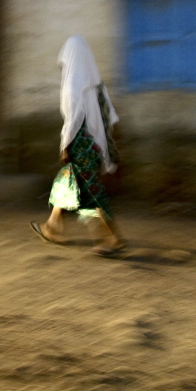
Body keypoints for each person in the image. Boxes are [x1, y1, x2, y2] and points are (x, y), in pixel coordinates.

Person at [30, 35, 125, 256]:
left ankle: (112, 239)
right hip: (96, 147)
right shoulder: (98, 85)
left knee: (91, 193)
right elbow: (111, 117)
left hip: (80, 144)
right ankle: (53, 226)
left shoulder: (73, 85)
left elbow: (73, 118)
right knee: (67, 180)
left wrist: (65, 145)